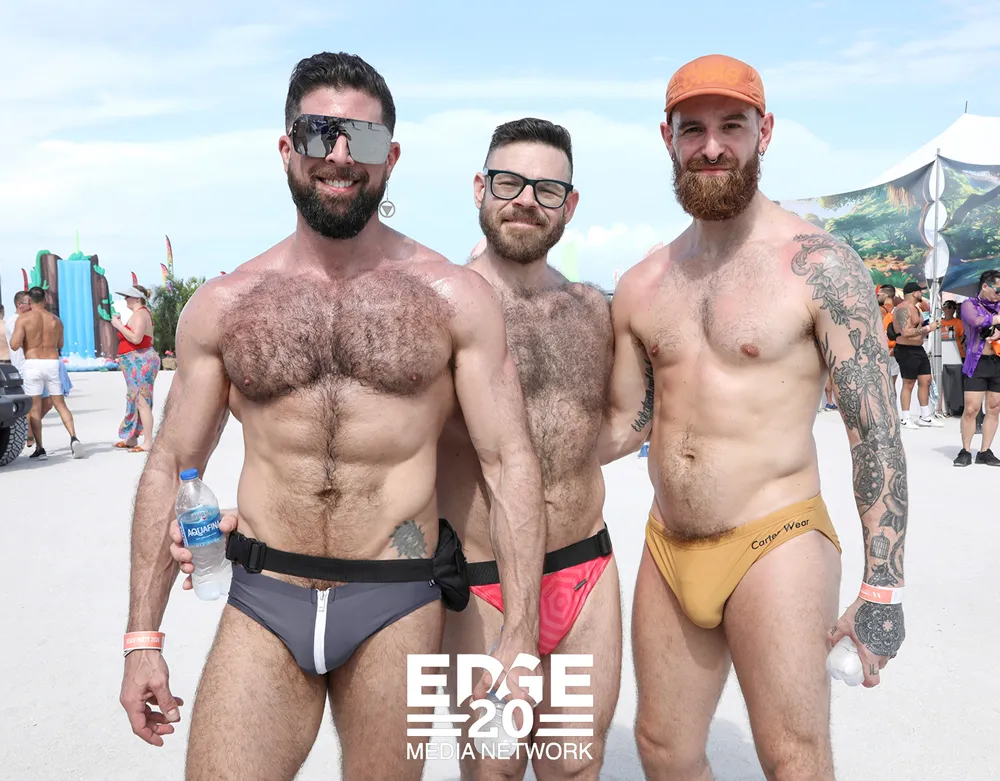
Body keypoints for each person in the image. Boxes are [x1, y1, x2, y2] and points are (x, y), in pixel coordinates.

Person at [117, 51, 545, 781]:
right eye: (319, 133)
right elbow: (171, 462)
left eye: (365, 139)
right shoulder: (225, 305)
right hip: (265, 593)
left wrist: (521, 637)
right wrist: (141, 638)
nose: (341, 156)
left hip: (396, 599)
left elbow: (510, 462)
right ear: (287, 147)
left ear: (391, 158)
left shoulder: (452, 298)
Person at [170, 118, 624, 781]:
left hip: (585, 570)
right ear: (480, 188)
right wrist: (273, 521)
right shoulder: (439, 303)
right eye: (509, 182)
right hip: (482, 578)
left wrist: (572, 454)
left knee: (577, 767)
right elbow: (361, 432)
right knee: (493, 768)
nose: (526, 200)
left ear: (570, 203)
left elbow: (622, 420)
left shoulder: (594, 309)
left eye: (547, 189)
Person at [601, 54, 907, 781]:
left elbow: (875, 431)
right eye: (693, 129)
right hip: (669, 543)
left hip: (777, 537)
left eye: (731, 126)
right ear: (668, 138)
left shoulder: (821, 266)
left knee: (792, 756)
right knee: (663, 748)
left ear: (763, 132)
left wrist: (883, 587)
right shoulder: (641, 283)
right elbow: (628, 421)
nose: (711, 146)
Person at [9, 286, 84, 460]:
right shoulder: (56, 320)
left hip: (33, 363)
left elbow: (14, 345)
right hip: (52, 363)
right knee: (60, 404)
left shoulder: (23, 319)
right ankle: (74, 438)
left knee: (35, 407)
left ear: (29, 300)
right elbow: (60, 344)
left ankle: (40, 449)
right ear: (45, 300)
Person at [954, 269, 1000, 467]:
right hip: (977, 362)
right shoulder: (969, 304)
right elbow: (976, 321)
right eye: (998, 290)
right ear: (985, 286)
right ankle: (965, 450)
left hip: (997, 362)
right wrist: (997, 320)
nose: (999, 294)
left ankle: (985, 451)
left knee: (994, 408)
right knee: (972, 408)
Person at [111, 284, 160, 452]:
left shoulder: (140, 314)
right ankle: (132, 438)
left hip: (141, 361)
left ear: (137, 298)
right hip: (136, 361)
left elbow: (136, 338)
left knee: (142, 400)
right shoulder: (139, 314)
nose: (125, 299)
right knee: (135, 399)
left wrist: (119, 326)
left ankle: (148, 441)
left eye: (128, 296)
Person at [891, 280, 942, 428]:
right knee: (908, 383)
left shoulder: (916, 308)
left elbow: (917, 329)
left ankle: (925, 416)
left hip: (918, 349)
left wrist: (929, 326)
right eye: (920, 291)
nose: (922, 293)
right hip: (905, 349)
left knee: (926, 380)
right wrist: (928, 328)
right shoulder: (902, 309)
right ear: (914, 293)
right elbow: (905, 332)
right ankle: (905, 417)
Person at [878, 285, 900, 397]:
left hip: (884, 352)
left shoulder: (879, 311)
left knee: (883, 386)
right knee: (891, 385)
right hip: (892, 351)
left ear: (885, 295)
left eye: (879, 294)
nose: (877, 296)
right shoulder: (898, 311)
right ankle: (892, 407)